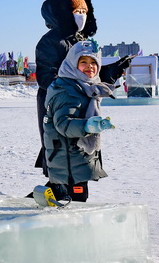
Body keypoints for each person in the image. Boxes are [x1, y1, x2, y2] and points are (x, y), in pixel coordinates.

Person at [34, 0, 129, 176]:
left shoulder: (81, 40)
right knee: (60, 150)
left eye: (85, 11)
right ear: (65, 13)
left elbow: (88, 75)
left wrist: (111, 71)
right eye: (77, 11)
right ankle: (58, 188)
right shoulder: (52, 41)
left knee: (81, 152)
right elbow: (47, 78)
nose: (81, 16)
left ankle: (72, 190)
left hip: (82, 101)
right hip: (58, 102)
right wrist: (71, 88)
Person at [42, 40, 116, 202]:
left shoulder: (84, 87)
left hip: (74, 157)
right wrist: (88, 126)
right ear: (72, 63)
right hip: (68, 158)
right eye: (83, 62)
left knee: (69, 195)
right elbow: (63, 124)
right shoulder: (69, 90)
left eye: (93, 62)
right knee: (76, 201)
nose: (90, 66)